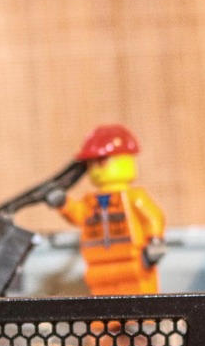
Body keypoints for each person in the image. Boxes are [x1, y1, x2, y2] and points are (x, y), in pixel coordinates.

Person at [53, 124, 166, 295]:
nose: (96, 169)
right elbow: (80, 216)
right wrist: (63, 204)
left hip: (132, 260)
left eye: (102, 161)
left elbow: (153, 217)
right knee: (103, 297)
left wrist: (155, 242)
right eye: (91, 164)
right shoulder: (90, 202)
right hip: (97, 263)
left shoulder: (134, 197)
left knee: (137, 295)